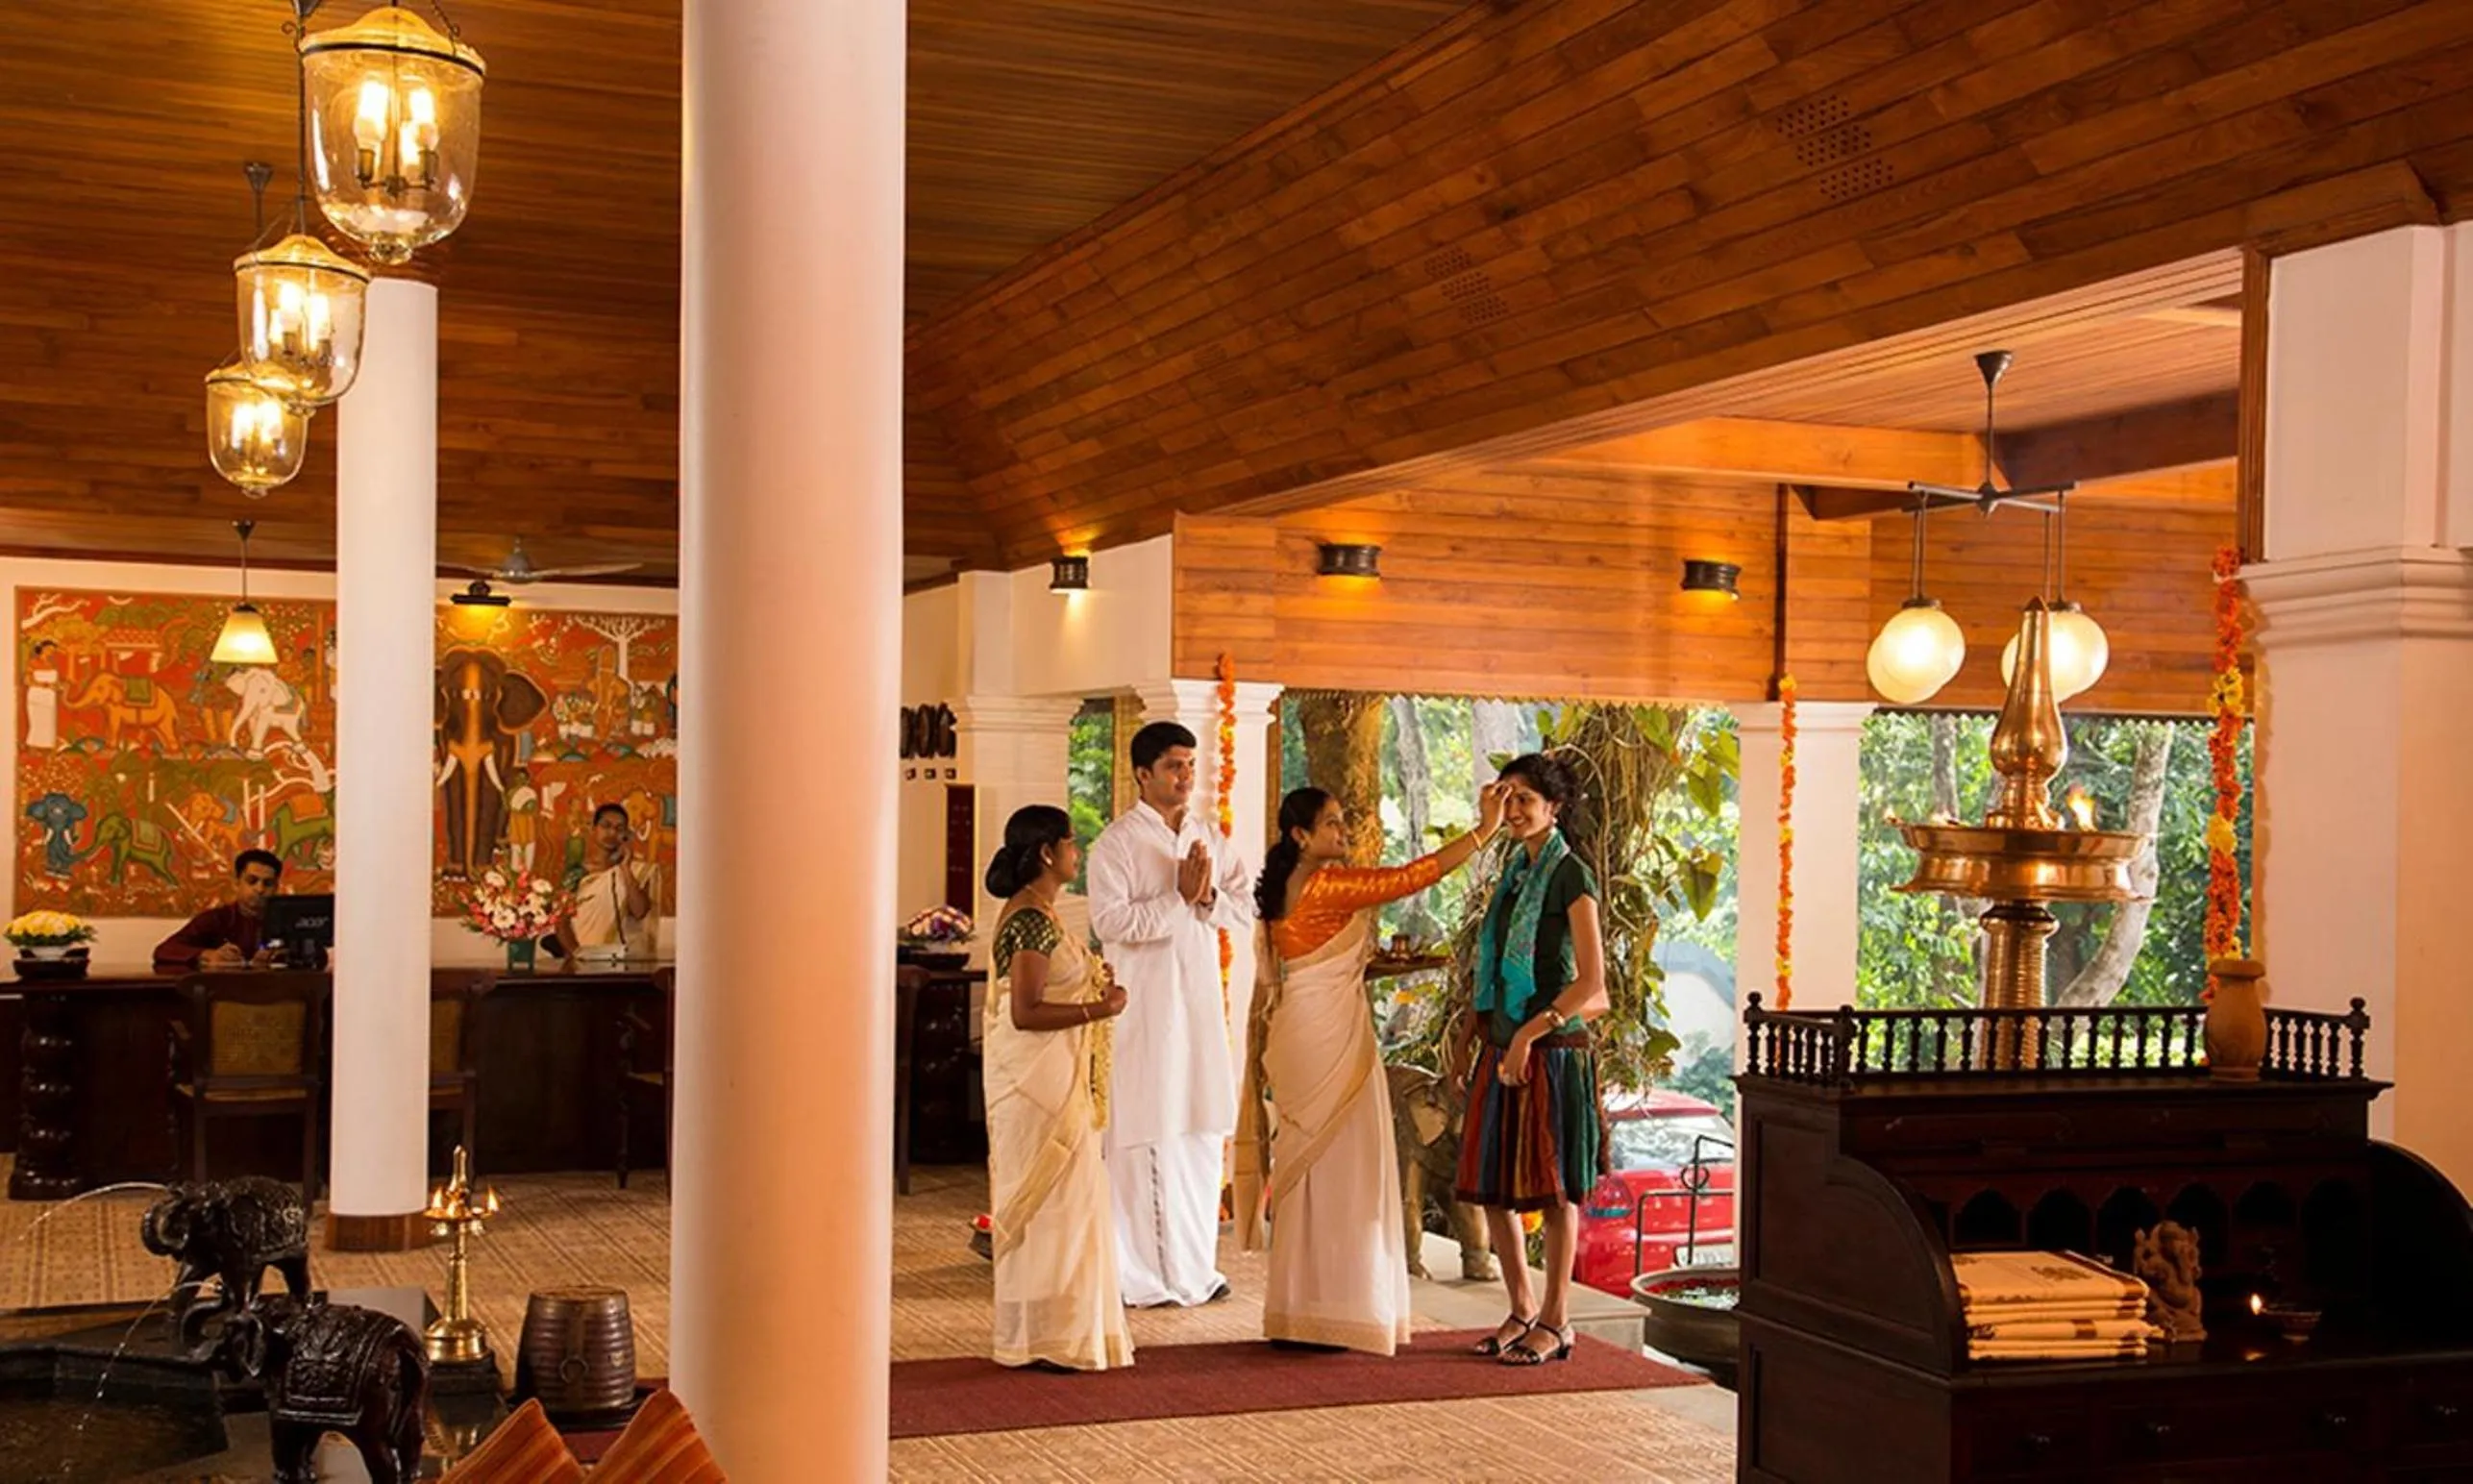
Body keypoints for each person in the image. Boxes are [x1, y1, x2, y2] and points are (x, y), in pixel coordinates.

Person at [1236, 781, 1504, 1355]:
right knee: (1345, 1167)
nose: (1343, 832)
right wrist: (1484, 830)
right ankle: (1338, 1307)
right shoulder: (1327, 884)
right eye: (1331, 824)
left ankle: (1301, 1307)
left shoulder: (1285, 887)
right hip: (1326, 1038)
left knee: (1311, 1169)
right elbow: (1411, 876)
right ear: (1300, 836)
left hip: (1302, 1031)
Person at [1086, 720, 1252, 1309]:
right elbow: (1111, 924)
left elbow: (1243, 904)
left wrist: (1206, 898)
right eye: (1174, 766)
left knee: (1201, 1131)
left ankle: (1197, 1268)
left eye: (1190, 764)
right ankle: (1148, 1276)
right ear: (1142, 774)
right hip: (1148, 1014)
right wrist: (1176, 899)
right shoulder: (1116, 845)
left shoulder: (1206, 833)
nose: (1186, 776)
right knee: (1151, 1134)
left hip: (1200, 1005)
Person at [1451, 752, 1610, 1367]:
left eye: (1525, 799)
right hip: (1502, 1042)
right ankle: (1520, 1309)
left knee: (1555, 1190)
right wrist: (1473, 1034)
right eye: (1506, 796)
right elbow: (1489, 965)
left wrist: (1528, 1037)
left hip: (1552, 1052)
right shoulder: (1514, 872)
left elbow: (1591, 980)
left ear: (1555, 808)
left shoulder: (1572, 876)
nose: (1513, 809)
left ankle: (1557, 1321)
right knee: (1493, 1185)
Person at [982, 805, 1135, 1372]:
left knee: (1065, 1204)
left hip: (1053, 1077)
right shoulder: (1029, 920)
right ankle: (1047, 1336)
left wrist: (1093, 985)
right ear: (1047, 852)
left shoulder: (1043, 913)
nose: (1079, 852)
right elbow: (1025, 1011)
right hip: (1036, 1084)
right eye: (1072, 843)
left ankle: (1055, 1330)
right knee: (1053, 1202)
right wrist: (1103, 1006)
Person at [556, 802, 657, 960]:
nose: (611, 833)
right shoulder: (576, 874)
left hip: (624, 962)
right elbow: (561, 923)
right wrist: (579, 955)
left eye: (619, 829)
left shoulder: (636, 872)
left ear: (626, 835)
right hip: (585, 960)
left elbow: (640, 911)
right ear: (593, 829)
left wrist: (625, 867)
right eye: (606, 826)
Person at [154, 850, 284, 969]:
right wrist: (207, 955)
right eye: (252, 881)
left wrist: (277, 958)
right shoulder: (216, 919)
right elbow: (164, 951)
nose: (260, 889)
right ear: (237, 883)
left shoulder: (285, 922)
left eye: (268, 883)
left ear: (276, 887)